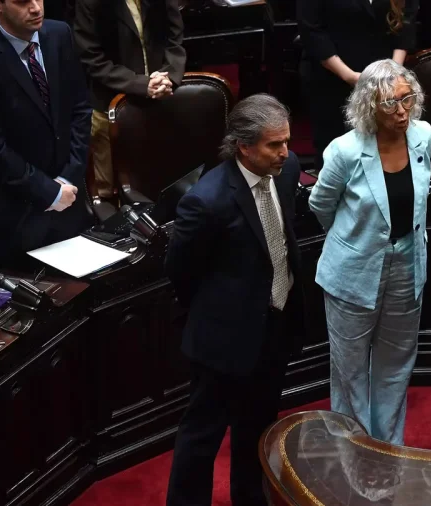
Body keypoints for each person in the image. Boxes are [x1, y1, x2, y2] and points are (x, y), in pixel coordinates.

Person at [165, 94, 303, 506]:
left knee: (259, 428)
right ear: (243, 146)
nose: (285, 152)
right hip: (223, 340)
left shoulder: (287, 169)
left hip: (274, 326)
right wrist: (221, 314)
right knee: (202, 435)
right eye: (273, 145)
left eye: (287, 142)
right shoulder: (206, 201)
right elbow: (181, 272)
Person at [309, 59, 431, 445]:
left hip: (408, 264)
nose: (402, 111)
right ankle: (352, 453)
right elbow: (320, 205)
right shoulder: (345, 151)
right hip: (353, 270)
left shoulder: (422, 136)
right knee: (350, 371)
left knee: (395, 367)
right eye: (390, 104)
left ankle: (387, 452)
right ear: (368, 106)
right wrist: (354, 240)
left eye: (407, 99)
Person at [0, 0, 92, 271]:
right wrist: (50, 191)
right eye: (22, 1)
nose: (36, 8)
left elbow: (79, 109)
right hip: (18, 216)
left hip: (70, 196)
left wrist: (68, 176)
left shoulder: (59, 34)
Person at [74, 0, 186, 200]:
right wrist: (141, 84)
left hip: (161, 95)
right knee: (108, 188)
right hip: (110, 100)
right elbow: (92, 57)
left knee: (159, 175)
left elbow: (174, 39)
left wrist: (168, 76)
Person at [297, 0, 420, 170]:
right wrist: (350, 76)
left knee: (388, 149)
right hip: (330, 79)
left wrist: (392, 73)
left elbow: (407, 22)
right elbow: (311, 30)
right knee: (335, 156)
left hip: (385, 83)